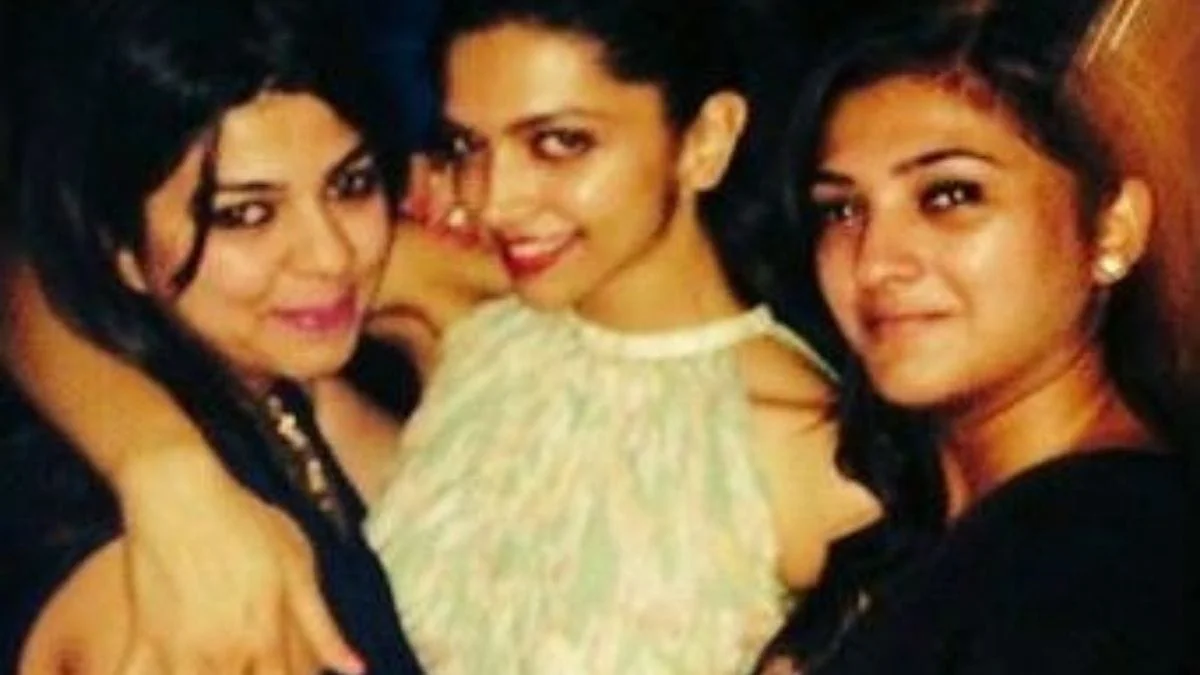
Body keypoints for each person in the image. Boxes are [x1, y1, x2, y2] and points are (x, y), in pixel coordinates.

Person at [5, 0, 885, 672]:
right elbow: (58, 261)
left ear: (705, 139)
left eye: (559, 143)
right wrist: (161, 469)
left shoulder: (818, 456)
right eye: (467, 146)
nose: (495, 199)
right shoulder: (465, 307)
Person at [756, 0, 1199, 671]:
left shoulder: (1113, 558)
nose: (874, 262)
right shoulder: (939, 536)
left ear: (1113, 229)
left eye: (950, 196)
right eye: (842, 209)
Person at [0, 0, 429, 672]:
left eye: (351, 184)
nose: (330, 255)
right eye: (246, 215)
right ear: (122, 249)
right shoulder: (164, 580)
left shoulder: (271, 393)